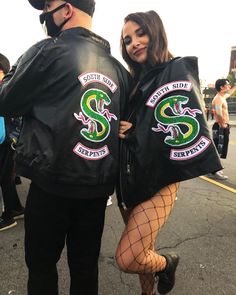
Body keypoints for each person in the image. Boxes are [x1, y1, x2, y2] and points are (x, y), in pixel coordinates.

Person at [0, 1, 131, 294]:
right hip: (97, 191)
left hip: (51, 185)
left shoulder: (47, 51)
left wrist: (23, 61)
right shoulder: (119, 70)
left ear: (66, 10)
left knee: (42, 266)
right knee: (85, 268)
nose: (44, 14)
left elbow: (6, 101)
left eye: (47, 6)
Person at [115, 11, 222, 295]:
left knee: (129, 257)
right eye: (127, 40)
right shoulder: (131, 80)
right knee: (142, 251)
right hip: (128, 179)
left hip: (160, 180)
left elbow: (183, 130)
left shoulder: (177, 72)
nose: (134, 43)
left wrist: (135, 132)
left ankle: (167, 263)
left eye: (140, 33)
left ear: (155, 32)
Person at [0, 53, 24, 232]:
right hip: (8, 140)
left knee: (5, 178)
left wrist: (14, 139)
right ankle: (15, 209)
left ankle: (8, 216)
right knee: (6, 177)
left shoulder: (7, 88)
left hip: (9, 141)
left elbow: (16, 118)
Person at [208, 78, 236, 180]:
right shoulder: (218, 99)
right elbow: (218, 112)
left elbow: (231, 92)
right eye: (227, 85)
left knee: (220, 148)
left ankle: (214, 170)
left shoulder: (222, 97)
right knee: (218, 149)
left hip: (221, 126)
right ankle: (214, 172)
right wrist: (222, 123)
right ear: (221, 87)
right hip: (220, 126)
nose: (229, 87)